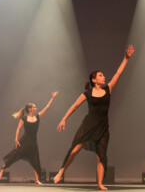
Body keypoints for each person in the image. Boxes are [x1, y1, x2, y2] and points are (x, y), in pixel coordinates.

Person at [54, 45, 135, 190]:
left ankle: (99, 184)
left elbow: (118, 73)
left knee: (101, 156)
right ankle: (61, 171)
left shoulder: (108, 89)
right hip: (88, 125)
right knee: (75, 149)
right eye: (101, 75)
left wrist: (126, 59)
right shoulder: (88, 93)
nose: (104, 77)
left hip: (103, 127)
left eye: (103, 75)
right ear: (94, 79)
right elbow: (74, 106)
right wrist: (63, 118)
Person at [0, 91, 58, 185]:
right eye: (34, 107)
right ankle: (1, 171)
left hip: (33, 144)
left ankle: (37, 180)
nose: (36, 108)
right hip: (24, 142)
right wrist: (16, 140)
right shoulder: (24, 119)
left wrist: (52, 98)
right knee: (13, 156)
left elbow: (47, 107)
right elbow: (18, 129)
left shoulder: (38, 117)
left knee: (35, 161)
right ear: (30, 109)